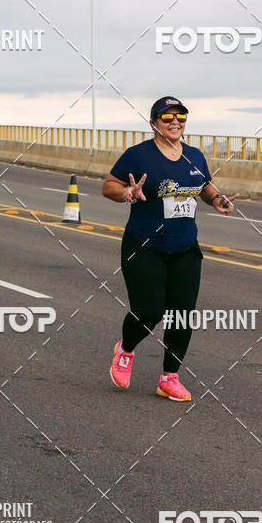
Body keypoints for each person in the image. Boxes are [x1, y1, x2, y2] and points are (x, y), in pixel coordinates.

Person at [102, 96, 238, 401]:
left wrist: (217, 199)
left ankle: (169, 377)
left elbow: (204, 185)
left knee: (182, 315)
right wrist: (127, 192)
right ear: (154, 123)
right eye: (167, 117)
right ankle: (125, 349)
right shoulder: (138, 155)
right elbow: (108, 185)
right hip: (144, 245)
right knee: (149, 312)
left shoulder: (194, 156)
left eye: (181, 116)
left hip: (185, 246)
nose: (175, 121)